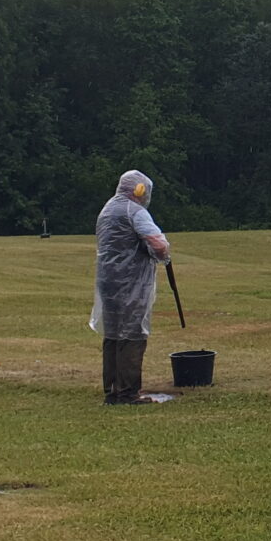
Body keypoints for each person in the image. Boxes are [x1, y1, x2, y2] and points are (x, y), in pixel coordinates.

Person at [92, 170, 172, 405]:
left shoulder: (107, 209)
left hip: (108, 282)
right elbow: (158, 244)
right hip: (131, 283)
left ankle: (112, 391)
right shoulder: (135, 211)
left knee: (113, 335)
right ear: (140, 190)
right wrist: (163, 255)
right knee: (133, 335)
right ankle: (128, 393)